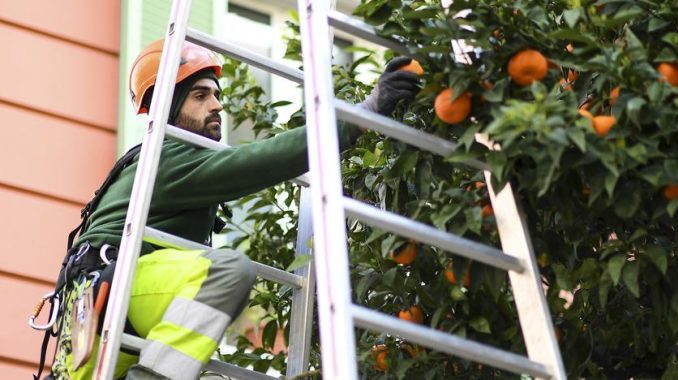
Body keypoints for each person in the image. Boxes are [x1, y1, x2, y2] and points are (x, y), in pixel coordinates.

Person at [48, 39, 420, 379]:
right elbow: (260, 160)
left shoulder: (163, 162)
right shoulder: (166, 156)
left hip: (105, 327)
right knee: (226, 271)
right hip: (114, 300)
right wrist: (364, 113)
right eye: (200, 95)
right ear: (169, 105)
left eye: (216, 95)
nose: (217, 105)